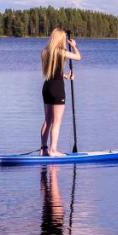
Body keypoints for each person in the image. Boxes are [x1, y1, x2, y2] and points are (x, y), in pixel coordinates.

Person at [39, 28, 81, 156]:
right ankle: (53, 150)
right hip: (57, 89)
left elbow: (53, 72)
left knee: (47, 121)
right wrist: (73, 46)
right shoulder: (61, 52)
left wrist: (66, 75)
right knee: (56, 122)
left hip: (47, 87)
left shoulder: (45, 52)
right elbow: (78, 57)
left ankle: (44, 149)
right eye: (63, 39)